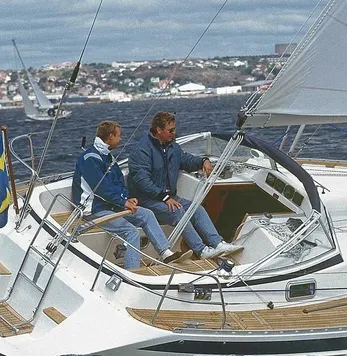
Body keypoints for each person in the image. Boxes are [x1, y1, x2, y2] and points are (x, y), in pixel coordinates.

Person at [72, 120, 185, 270]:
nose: (121, 139)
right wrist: (122, 202)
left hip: (112, 206)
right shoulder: (90, 158)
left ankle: (165, 253)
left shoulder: (107, 156)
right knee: (130, 231)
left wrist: (126, 198)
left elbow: (118, 182)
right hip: (94, 210)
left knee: (147, 214)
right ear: (110, 136)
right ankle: (132, 271)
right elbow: (101, 188)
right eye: (119, 136)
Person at [128, 111, 241, 259]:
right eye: (171, 130)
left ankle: (218, 243)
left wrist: (203, 161)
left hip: (168, 196)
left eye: (175, 130)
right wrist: (164, 197)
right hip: (148, 200)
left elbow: (185, 160)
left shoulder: (173, 147)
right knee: (177, 211)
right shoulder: (141, 150)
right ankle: (201, 251)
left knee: (197, 209)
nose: (174, 133)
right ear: (159, 130)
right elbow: (142, 181)